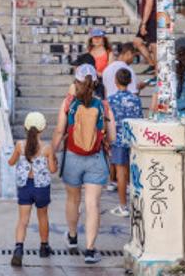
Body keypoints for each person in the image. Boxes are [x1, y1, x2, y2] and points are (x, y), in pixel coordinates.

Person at [52, 64, 115, 265]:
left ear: (76, 82)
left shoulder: (68, 103)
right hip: (96, 159)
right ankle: (89, 250)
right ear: (95, 82)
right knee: (92, 204)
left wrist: (52, 153)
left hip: (72, 157)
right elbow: (111, 137)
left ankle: (72, 237)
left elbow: (59, 131)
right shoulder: (103, 106)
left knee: (73, 199)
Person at [8, 111, 57, 266]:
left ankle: (18, 249)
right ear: (43, 129)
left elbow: (11, 162)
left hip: (25, 186)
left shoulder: (20, 145)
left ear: (25, 127)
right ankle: (44, 247)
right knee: (42, 216)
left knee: (23, 220)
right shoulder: (47, 148)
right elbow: (53, 169)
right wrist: (53, 159)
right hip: (41, 187)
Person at [107, 68, 143, 217]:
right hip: (133, 139)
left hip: (118, 139)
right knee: (132, 171)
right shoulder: (136, 99)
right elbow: (140, 118)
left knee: (120, 173)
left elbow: (108, 121)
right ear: (129, 81)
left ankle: (123, 206)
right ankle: (136, 204)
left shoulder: (111, 99)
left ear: (115, 81)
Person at [132, 0, 157, 72]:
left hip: (150, 20)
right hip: (148, 20)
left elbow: (149, 4)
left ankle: (157, 69)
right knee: (137, 41)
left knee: (154, 45)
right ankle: (152, 64)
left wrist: (144, 23)